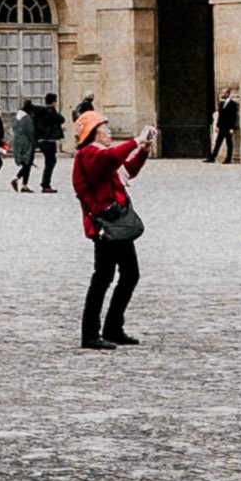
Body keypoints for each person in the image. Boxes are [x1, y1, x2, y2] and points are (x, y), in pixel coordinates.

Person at [71, 110, 147, 350]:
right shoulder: (89, 154)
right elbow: (111, 160)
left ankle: (112, 327)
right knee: (103, 277)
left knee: (128, 274)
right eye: (105, 127)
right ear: (93, 132)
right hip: (105, 225)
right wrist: (135, 141)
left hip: (117, 224)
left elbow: (125, 170)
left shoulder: (100, 154)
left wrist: (143, 151)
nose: (109, 131)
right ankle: (90, 333)